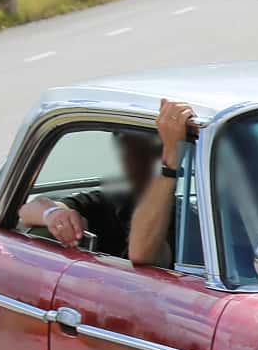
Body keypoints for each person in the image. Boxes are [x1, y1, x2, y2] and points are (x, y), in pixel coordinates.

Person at [19, 100, 195, 267]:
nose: (137, 161)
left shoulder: (186, 219)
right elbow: (27, 211)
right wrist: (54, 214)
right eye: (131, 151)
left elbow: (141, 255)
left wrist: (170, 165)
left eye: (148, 151)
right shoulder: (111, 202)